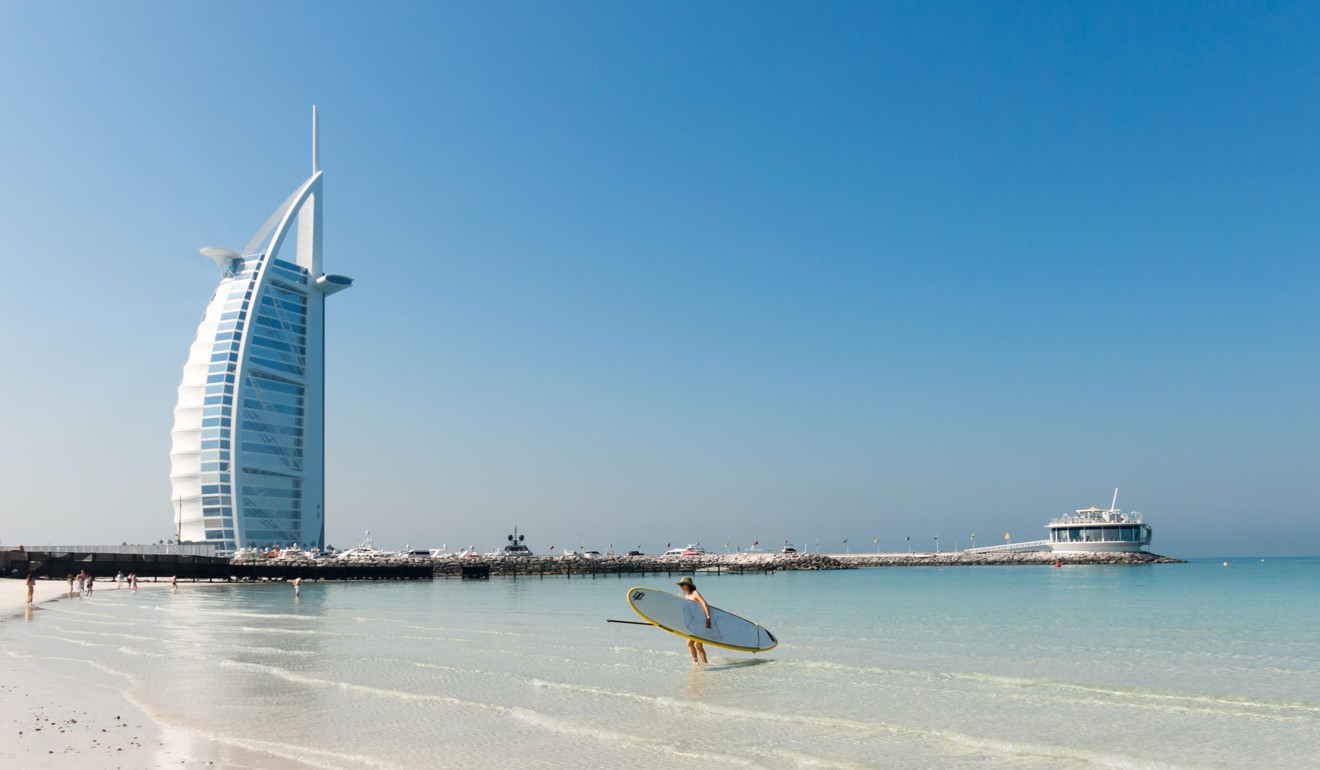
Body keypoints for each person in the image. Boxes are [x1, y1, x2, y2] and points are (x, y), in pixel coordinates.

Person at [676, 576, 711, 664]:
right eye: (680, 585)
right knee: (694, 644)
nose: (681, 587)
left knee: (696, 644)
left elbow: (705, 604)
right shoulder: (687, 595)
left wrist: (708, 618)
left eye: (682, 584)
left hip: (700, 623)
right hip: (694, 624)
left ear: (688, 585)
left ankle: (701, 663)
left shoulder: (695, 593)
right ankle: (698, 663)